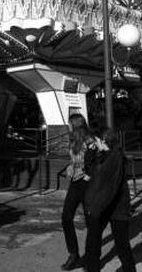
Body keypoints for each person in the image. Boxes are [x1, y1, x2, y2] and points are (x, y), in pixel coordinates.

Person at [84, 128, 136, 272]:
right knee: (93, 239)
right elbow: (90, 171)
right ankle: (92, 267)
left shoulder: (115, 158)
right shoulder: (104, 155)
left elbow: (109, 186)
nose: (95, 143)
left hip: (116, 206)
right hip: (103, 205)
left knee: (121, 245)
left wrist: (95, 207)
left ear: (104, 141)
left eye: (97, 140)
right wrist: (90, 151)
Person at [61, 113, 98, 270]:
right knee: (66, 217)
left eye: (70, 123)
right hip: (74, 183)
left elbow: (96, 160)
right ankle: (74, 254)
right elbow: (74, 160)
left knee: (91, 222)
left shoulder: (90, 140)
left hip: (86, 183)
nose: (68, 126)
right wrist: (71, 167)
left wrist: (88, 176)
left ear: (75, 124)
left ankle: (92, 257)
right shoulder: (73, 140)